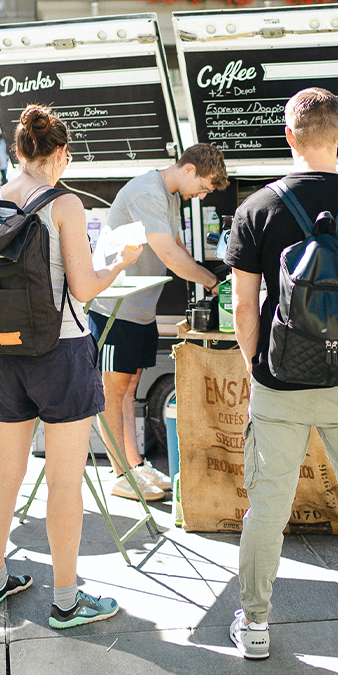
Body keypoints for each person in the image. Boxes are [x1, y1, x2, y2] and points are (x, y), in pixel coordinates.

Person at [225, 87, 338, 663]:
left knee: (268, 509)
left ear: (289, 137)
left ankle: (255, 624)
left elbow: (242, 306)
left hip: (280, 384)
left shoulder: (256, 209)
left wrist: (261, 367)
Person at [0, 104, 142, 630]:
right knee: (64, 483)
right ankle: (67, 601)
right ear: (61, 154)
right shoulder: (64, 204)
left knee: (4, 470)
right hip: (60, 353)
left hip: (2, 355)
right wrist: (119, 262)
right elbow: (83, 288)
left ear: (19, 151)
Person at [87, 143, 228, 501]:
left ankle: (134, 464)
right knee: (113, 391)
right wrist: (211, 282)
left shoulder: (171, 195)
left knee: (130, 387)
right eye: (205, 186)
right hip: (113, 306)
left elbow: (178, 246)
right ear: (190, 170)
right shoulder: (147, 191)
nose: (203, 195)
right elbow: (168, 254)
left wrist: (208, 277)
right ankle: (119, 473)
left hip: (140, 308)